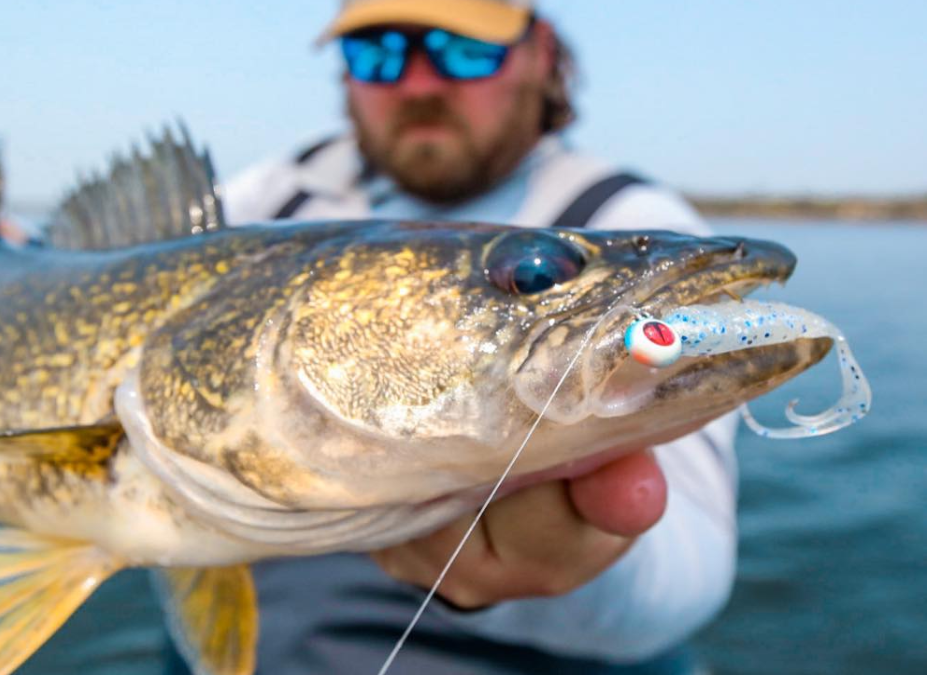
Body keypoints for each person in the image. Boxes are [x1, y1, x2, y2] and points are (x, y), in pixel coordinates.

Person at [165, 1, 739, 673]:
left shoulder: (624, 218)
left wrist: (585, 563)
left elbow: (689, 568)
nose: (418, 85)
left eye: (463, 51)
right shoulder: (263, 202)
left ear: (541, 54)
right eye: (375, 53)